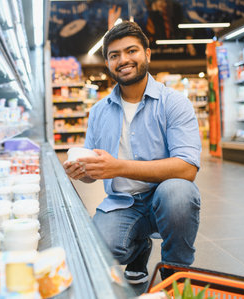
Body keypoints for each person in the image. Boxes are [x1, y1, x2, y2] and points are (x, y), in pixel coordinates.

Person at [63, 21, 201, 284]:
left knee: (179, 193)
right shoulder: (99, 111)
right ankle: (139, 250)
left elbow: (187, 168)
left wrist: (118, 167)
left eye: (131, 51)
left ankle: (176, 273)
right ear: (107, 63)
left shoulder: (174, 103)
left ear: (147, 54)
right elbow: (95, 171)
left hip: (165, 195)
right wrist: (82, 172)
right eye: (114, 55)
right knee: (101, 249)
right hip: (123, 202)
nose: (123, 60)